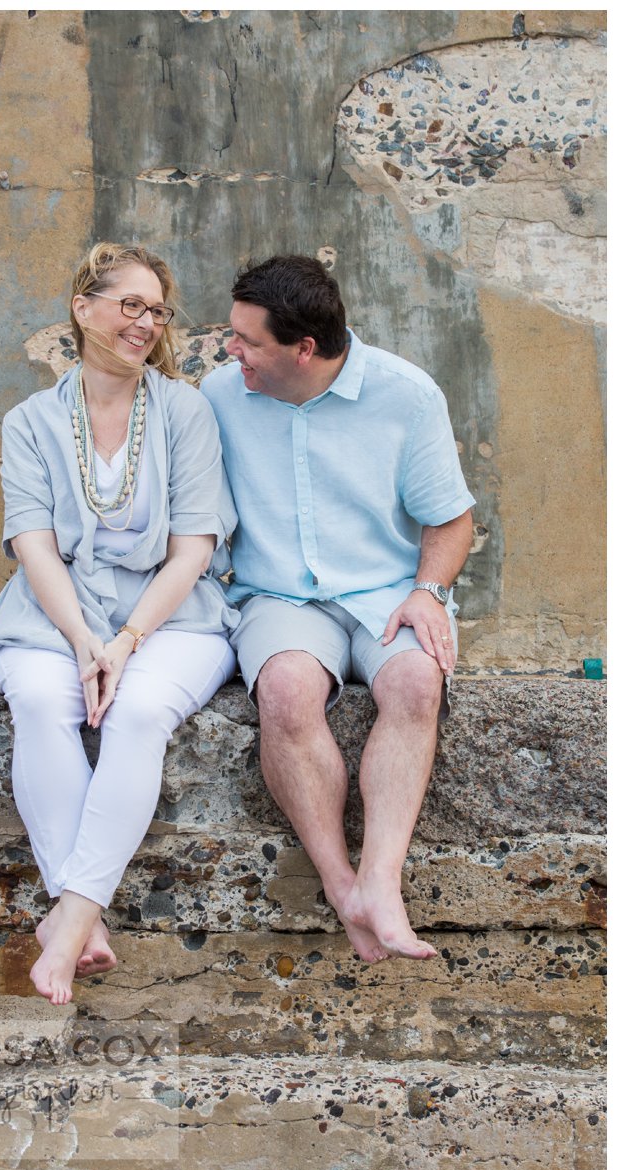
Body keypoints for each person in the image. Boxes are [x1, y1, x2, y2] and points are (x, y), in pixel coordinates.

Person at [0, 243, 238, 1005]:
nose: (146, 322)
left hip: (172, 613)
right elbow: (32, 544)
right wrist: (85, 639)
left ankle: (70, 919)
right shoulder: (30, 421)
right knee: (42, 700)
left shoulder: (186, 410)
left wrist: (124, 642)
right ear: (83, 309)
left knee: (141, 707)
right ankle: (82, 918)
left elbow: (193, 549)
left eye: (157, 310)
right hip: (52, 613)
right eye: (130, 305)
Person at [203, 254, 475, 963]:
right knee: (288, 691)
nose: (232, 352)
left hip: (386, 592)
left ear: (305, 348)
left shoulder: (406, 395)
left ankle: (382, 880)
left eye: (247, 341)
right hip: (278, 596)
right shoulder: (217, 396)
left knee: (418, 681)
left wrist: (429, 591)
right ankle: (340, 883)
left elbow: (450, 520)